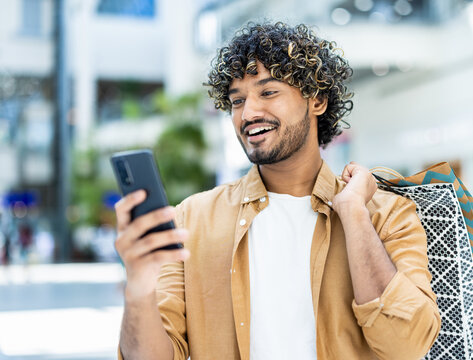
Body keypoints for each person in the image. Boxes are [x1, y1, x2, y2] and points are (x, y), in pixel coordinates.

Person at [114, 22, 441, 360]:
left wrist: (355, 214)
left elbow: (407, 345)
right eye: (237, 100)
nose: (248, 113)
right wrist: (138, 287)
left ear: (317, 100)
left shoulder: (387, 215)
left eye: (268, 92)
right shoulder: (192, 219)